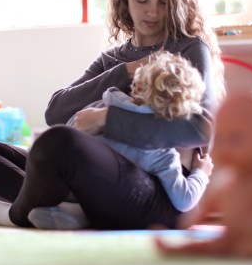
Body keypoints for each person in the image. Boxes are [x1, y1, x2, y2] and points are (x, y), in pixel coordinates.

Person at [0, 0, 225, 230]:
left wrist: (109, 119)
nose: (153, 13)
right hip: (98, 181)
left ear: (177, 1)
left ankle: (15, 215)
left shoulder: (188, 49)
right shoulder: (113, 60)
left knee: (58, 144)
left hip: (159, 191)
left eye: (164, 2)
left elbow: (202, 128)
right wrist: (127, 70)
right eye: (142, 0)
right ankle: (70, 210)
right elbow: (55, 111)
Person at [67, 51, 212, 214]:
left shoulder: (101, 107)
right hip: (118, 204)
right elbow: (184, 200)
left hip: (71, 181)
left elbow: (71, 129)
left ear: (136, 87)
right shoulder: (162, 156)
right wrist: (201, 172)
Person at [155, 92, 252, 257]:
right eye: (220, 138)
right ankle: (179, 249)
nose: (225, 148)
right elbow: (212, 204)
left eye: (235, 139)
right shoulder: (228, 182)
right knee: (207, 246)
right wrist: (192, 222)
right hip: (230, 237)